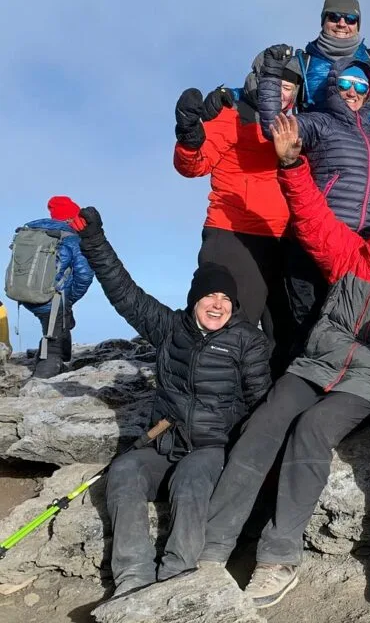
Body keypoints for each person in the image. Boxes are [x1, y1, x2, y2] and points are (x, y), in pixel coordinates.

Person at [201, 113, 370, 609]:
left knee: (311, 430)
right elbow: (311, 214)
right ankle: (212, 547)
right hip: (313, 367)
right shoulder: (350, 255)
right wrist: (291, 165)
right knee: (265, 422)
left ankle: (278, 558)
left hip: (364, 384)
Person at [69, 206, 271, 597]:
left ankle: (177, 579)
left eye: (225, 298)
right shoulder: (169, 328)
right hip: (164, 444)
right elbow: (123, 292)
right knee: (125, 471)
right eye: (209, 295)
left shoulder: (247, 341)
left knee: (191, 479)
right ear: (194, 299)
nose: (218, 304)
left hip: (213, 449)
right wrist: (94, 240)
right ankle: (132, 581)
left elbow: (260, 402)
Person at [256, 45, 370, 354]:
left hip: (360, 246)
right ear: (333, 84)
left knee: (346, 327)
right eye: (345, 83)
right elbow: (274, 128)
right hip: (314, 242)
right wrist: (271, 74)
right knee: (305, 326)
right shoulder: (319, 121)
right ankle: (295, 393)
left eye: (360, 87)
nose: (351, 92)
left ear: (369, 92)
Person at [172, 51, 303, 372]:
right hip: (234, 235)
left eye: (290, 88)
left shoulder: (297, 122)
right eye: (278, 84)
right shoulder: (231, 112)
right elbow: (195, 164)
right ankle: (202, 406)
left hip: (285, 240)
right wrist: (188, 138)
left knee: (284, 336)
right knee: (227, 329)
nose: (282, 93)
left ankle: (267, 410)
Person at [20, 196, 94, 377]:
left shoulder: (33, 234)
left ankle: (54, 359)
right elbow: (84, 275)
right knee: (54, 342)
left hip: (26, 293)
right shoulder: (71, 239)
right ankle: (43, 379)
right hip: (53, 299)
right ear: (70, 218)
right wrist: (68, 299)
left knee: (53, 328)